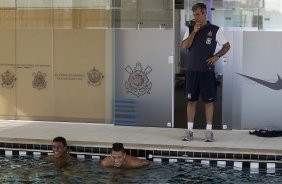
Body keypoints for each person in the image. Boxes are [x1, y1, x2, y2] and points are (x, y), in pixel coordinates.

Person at [182, 3, 230, 142]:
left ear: (204, 13)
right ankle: (189, 131)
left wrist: (217, 56)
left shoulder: (215, 30)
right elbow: (185, 46)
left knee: (209, 102)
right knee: (191, 101)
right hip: (192, 71)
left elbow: (227, 46)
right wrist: (194, 32)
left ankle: (209, 131)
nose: (195, 17)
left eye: (197, 14)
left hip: (206, 72)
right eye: (194, 15)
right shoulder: (190, 29)